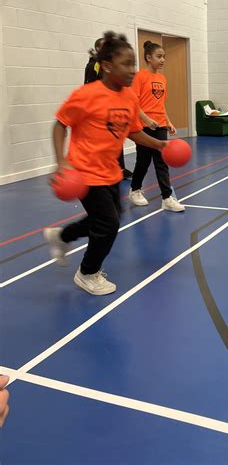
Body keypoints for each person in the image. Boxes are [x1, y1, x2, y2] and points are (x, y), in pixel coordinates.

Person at [43, 31, 169, 296]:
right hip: (84, 172)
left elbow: (132, 130)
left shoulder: (128, 98)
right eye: (126, 64)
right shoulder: (87, 95)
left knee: (104, 220)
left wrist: (156, 144)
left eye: (134, 63)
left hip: (110, 171)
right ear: (108, 65)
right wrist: (61, 162)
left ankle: (61, 237)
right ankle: (87, 273)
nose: (132, 70)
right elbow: (60, 124)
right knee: (108, 225)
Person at [128, 40, 184, 211]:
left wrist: (168, 122)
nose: (162, 60)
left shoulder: (162, 78)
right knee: (143, 161)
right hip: (144, 127)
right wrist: (146, 120)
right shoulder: (139, 77)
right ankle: (135, 190)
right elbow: (133, 102)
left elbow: (160, 104)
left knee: (161, 161)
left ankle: (167, 198)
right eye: (159, 56)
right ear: (148, 57)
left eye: (164, 57)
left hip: (159, 125)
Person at [84, 37, 133, 180]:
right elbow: (89, 87)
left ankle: (120, 168)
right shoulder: (94, 65)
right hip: (99, 109)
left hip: (112, 107)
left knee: (117, 136)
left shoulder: (112, 66)